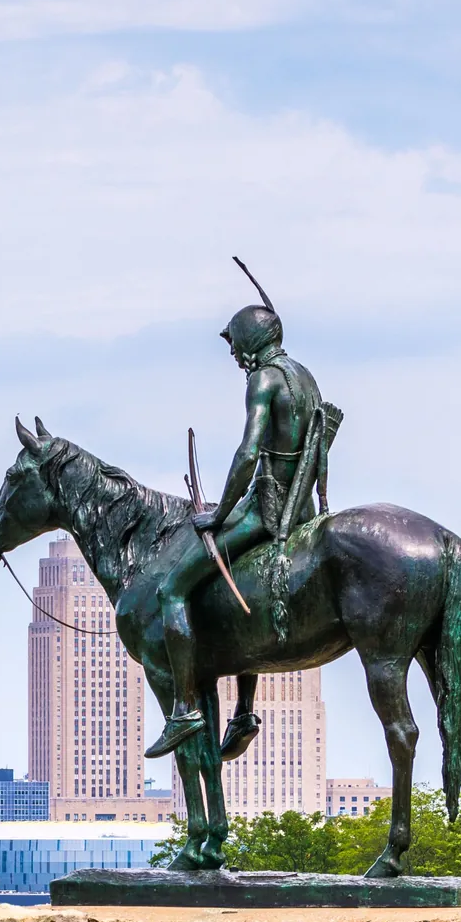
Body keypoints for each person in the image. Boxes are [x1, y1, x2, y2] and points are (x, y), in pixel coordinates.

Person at [145, 291, 336, 762]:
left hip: (266, 509)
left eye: (235, 344)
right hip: (301, 508)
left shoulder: (263, 380)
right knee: (237, 590)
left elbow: (249, 453)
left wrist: (219, 513)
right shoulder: (304, 377)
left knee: (171, 589)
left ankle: (185, 709)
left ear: (251, 338)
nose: (233, 354)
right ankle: (244, 712)